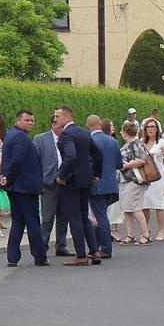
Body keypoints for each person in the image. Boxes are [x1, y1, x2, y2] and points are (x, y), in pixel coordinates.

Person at [53, 106, 102, 266]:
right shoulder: (83, 132)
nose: (55, 119)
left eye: (58, 116)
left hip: (71, 182)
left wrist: (61, 176)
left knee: (74, 218)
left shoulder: (66, 135)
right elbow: (97, 154)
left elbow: (71, 155)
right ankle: (94, 251)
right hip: (85, 180)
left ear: (67, 118)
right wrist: (95, 173)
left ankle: (81, 255)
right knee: (84, 216)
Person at [0, 109, 47, 267]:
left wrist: (8, 180)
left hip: (15, 186)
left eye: (32, 120)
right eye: (27, 120)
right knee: (32, 222)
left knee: (18, 221)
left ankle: (12, 256)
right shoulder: (20, 137)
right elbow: (16, 161)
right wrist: (9, 178)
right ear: (17, 120)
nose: (30, 123)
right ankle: (39, 255)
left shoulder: (11, 135)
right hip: (24, 186)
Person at [87, 115, 121, 259]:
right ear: (100, 124)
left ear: (87, 126)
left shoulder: (90, 141)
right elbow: (119, 163)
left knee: (100, 217)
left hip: (96, 184)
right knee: (101, 215)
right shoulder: (112, 141)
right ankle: (96, 246)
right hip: (111, 184)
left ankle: (105, 248)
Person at [34, 113, 67, 257]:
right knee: (47, 217)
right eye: (60, 126)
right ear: (53, 124)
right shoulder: (40, 139)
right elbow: (34, 161)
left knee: (63, 217)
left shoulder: (68, 138)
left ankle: (61, 245)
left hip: (66, 183)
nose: (63, 128)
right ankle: (43, 246)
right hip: (48, 183)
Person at [117, 122, 152, 245]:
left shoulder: (136, 143)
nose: (120, 133)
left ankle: (146, 234)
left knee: (136, 207)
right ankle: (130, 234)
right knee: (127, 208)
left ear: (125, 132)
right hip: (126, 179)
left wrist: (126, 165)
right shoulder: (129, 144)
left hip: (134, 179)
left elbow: (141, 160)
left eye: (121, 130)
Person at [140, 118, 164, 240]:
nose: (150, 129)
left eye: (153, 127)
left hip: (158, 175)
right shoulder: (141, 142)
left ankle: (161, 231)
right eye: (148, 127)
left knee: (158, 202)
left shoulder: (162, 142)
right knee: (144, 202)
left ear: (157, 129)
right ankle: (146, 230)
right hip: (145, 174)